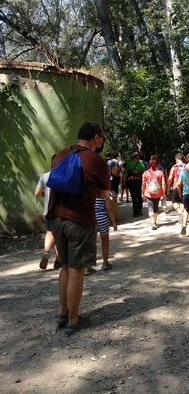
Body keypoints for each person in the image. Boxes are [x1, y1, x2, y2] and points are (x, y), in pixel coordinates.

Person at [46, 121, 110, 335]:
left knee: (64, 265)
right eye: (102, 137)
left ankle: (61, 312)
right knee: (76, 269)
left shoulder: (60, 155)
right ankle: (74, 320)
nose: (102, 141)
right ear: (96, 138)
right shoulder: (97, 160)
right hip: (79, 220)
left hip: (56, 218)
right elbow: (102, 194)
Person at [35, 154, 61, 270]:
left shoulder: (44, 176)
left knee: (49, 233)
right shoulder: (63, 176)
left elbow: (37, 193)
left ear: (51, 163)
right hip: (60, 211)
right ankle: (58, 261)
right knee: (59, 236)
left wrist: (46, 195)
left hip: (48, 210)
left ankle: (46, 252)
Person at [85, 189, 118, 275]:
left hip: (90, 220)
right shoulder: (104, 193)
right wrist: (114, 222)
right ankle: (105, 262)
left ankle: (87, 266)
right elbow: (109, 209)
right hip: (102, 219)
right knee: (105, 240)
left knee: (90, 243)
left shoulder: (86, 193)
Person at [142, 155, 166, 230]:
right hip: (158, 193)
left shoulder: (145, 173)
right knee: (156, 207)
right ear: (157, 164)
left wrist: (142, 193)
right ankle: (155, 221)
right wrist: (164, 194)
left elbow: (143, 184)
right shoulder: (160, 173)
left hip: (149, 193)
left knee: (150, 207)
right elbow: (163, 184)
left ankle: (152, 222)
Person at [124, 152, 146, 217]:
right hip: (139, 181)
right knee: (139, 195)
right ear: (137, 157)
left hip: (131, 181)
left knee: (133, 196)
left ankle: (135, 212)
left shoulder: (128, 164)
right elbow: (144, 174)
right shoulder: (141, 165)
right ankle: (139, 210)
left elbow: (125, 174)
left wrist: (123, 181)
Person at [167, 153, 186, 224]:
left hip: (176, 185)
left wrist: (168, 186)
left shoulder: (174, 167)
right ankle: (183, 218)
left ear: (176, 159)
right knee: (182, 202)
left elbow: (170, 178)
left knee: (174, 201)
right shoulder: (186, 166)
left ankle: (180, 213)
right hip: (185, 186)